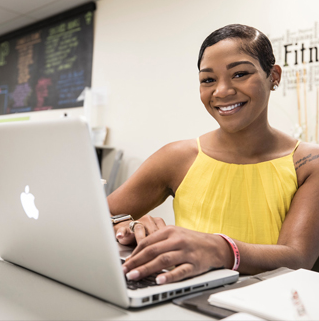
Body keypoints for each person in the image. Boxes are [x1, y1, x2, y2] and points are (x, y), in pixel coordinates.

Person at [107, 24, 319, 285]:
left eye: (240, 74)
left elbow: (298, 258)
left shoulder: (309, 164)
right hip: (184, 302)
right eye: (208, 80)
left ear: (273, 76)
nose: (222, 91)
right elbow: (98, 217)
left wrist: (222, 250)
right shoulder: (177, 157)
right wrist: (127, 228)